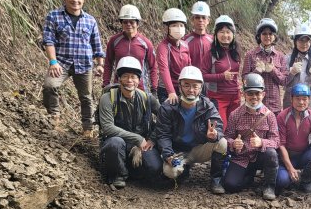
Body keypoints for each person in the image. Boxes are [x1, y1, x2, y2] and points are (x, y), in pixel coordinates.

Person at [42, 0, 104, 137]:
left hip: (84, 64)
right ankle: (54, 118)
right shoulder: (54, 16)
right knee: (50, 86)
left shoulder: (90, 20)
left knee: (86, 97)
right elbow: (49, 41)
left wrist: (100, 64)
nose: (75, 0)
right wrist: (53, 62)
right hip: (61, 63)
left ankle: (87, 129)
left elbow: (96, 44)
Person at [156, 66, 227, 194]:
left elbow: (219, 126)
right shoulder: (168, 107)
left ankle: (216, 179)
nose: (191, 90)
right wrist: (168, 155)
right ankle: (184, 168)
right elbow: (163, 135)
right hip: (177, 151)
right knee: (170, 172)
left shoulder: (207, 105)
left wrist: (215, 135)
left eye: (195, 86)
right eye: (186, 85)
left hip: (198, 148)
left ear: (201, 87)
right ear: (180, 86)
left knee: (222, 143)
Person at [98, 57, 162, 188]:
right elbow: (107, 128)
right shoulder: (107, 98)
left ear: (139, 80)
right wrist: (137, 139)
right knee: (114, 144)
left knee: (155, 168)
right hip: (118, 142)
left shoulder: (147, 98)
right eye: (125, 76)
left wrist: (152, 139)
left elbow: (165, 120)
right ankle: (118, 175)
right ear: (119, 79)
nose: (129, 80)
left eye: (133, 77)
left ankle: (135, 172)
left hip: (143, 144)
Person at [223, 73, 280, 200]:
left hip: (261, 156)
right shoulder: (235, 114)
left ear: (263, 94)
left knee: (272, 154)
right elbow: (227, 137)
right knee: (230, 185)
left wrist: (262, 143)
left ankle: (269, 186)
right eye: (250, 93)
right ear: (244, 94)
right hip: (242, 157)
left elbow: (276, 141)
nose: (254, 97)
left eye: (257, 93)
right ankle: (248, 177)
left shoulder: (269, 115)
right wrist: (233, 143)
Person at [276, 84, 311, 194]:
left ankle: (306, 182)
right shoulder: (282, 116)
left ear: (309, 100)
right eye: (297, 99)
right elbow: (281, 145)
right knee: (282, 181)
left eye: (304, 99)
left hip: (303, 155)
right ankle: (290, 175)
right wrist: (290, 168)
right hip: (286, 156)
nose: (301, 102)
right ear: (291, 99)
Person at [102, 4, 157, 94]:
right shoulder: (114, 41)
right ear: (121, 23)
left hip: (140, 88)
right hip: (119, 86)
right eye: (125, 22)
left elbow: (153, 67)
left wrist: (154, 89)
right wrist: (106, 84)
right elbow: (108, 63)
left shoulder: (146, 43)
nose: (128, 25)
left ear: (137, 24)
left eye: (132, 22)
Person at [200, 15, 241, 130]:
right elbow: (202, 76)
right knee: (221, 128)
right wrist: (221, 76)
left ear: (233, 34)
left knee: (234, 128)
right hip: (218, 97)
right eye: (221, 32)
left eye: (228, 32)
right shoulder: (211, 54)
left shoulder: (236, 52)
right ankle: (220, 148)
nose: (225, 35)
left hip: (235, 96)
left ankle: (232, 148)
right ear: (216, 35)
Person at [242, 18, 288, 115]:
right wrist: (257, 71)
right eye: (264, 33)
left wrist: (273, 70)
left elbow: (284, 81)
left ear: (274, 36)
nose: (267, 36)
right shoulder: (250, 55)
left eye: (270, 34)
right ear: (259, 36)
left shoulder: (280, 56)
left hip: (274, 106)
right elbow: (244, 79)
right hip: (254, 103)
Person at [157, 8, 191, 104]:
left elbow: (189, 66)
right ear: (166, 28)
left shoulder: (185, 45)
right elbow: (164, 69)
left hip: (182, 87)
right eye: (174, 25)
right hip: (166, 89)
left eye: (181, 25)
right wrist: (171, 92)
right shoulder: (163, 47)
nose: (178, 28)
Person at [283, 24, 311, 109]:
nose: (304, 44)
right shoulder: (287, 59)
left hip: (306, 100)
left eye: (307, 41)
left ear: (310, 42)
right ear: (295, 42)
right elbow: (283, 84)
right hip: (290, 100)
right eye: (301, 41)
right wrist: (291, 73)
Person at [184, 1, 213, 69]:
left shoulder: (213, 41)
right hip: (191, 78)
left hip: (210, 78)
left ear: (208, 21)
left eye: (203, 17)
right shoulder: (185, 41)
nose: (200, 20)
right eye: (197, 17)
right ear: (192, 20)